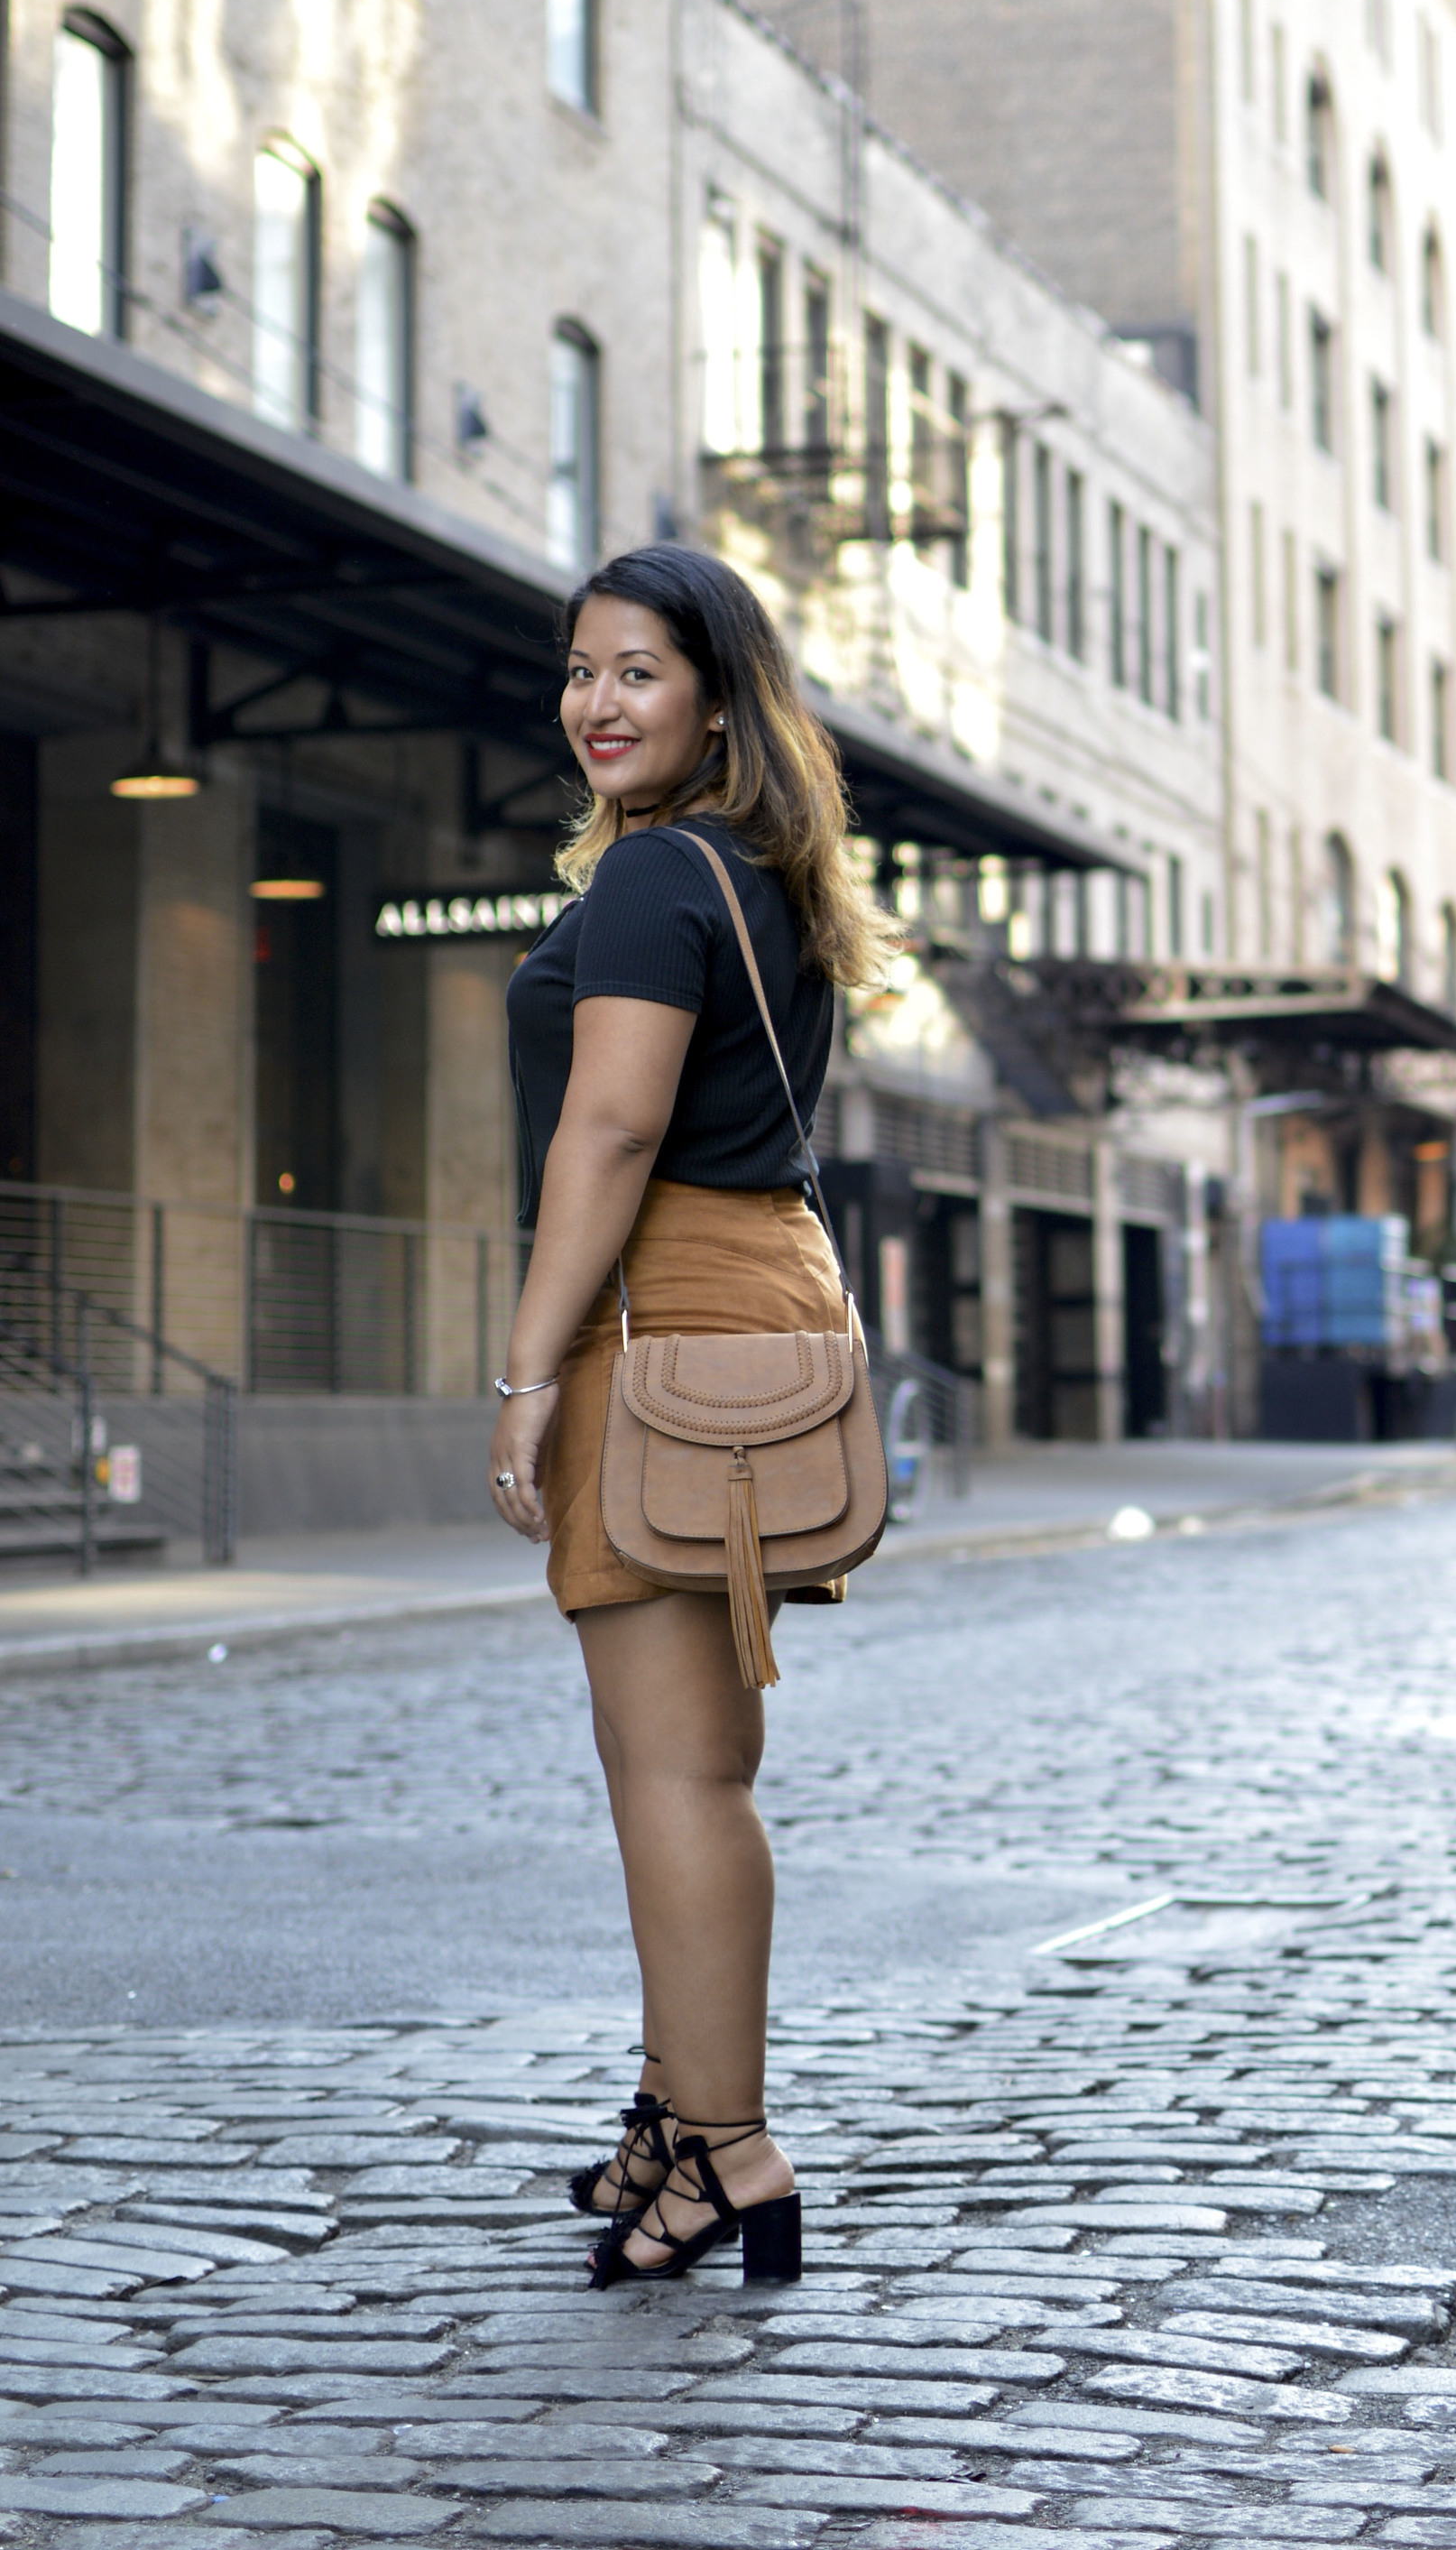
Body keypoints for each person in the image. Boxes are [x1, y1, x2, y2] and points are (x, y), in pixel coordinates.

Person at [487, 544, 896, 2287]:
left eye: (638, 671)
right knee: (688, 1762)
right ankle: (683, 2108)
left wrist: (526, 1369)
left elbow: (610, 1131)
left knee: (671, 1768)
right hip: (743, 1307)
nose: (597, 701)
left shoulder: (661, 878)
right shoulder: (753, 872)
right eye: (581, 671)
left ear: (717, 696)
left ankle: (726, 2141)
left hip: (661, 1322)